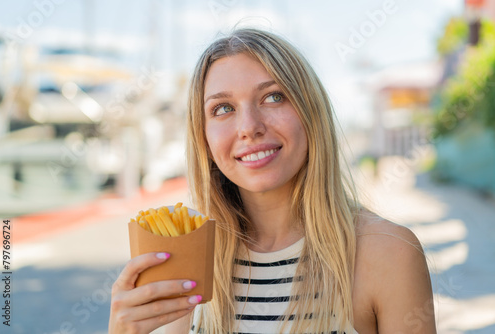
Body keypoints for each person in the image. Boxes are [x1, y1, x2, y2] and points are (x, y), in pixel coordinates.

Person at [109, 28, 436, 334]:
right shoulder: (184, 258)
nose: (249, 127)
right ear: (203, 137)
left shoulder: (390, 253)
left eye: (273, 97)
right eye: (223, 108)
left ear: (311, 113)